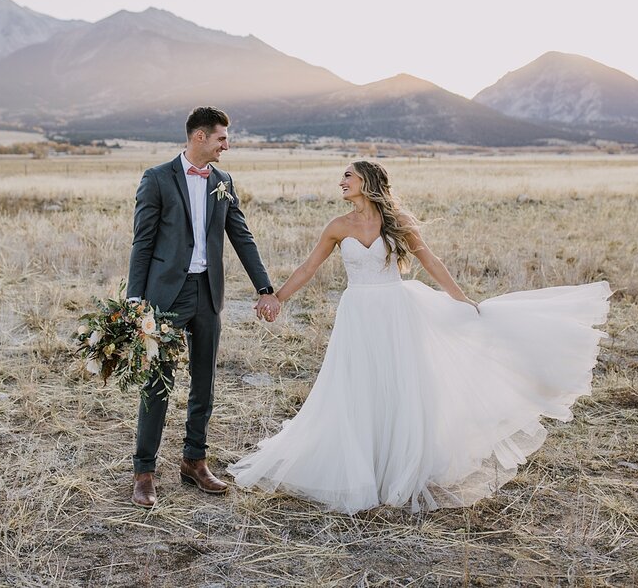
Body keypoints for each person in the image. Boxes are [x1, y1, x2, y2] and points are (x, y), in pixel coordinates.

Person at [228, 160, 611, 514]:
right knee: (357, 386)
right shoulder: (337, 226)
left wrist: (462, 300)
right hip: (358, 315)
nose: (341, 182)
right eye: (342, 177)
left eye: (349, 176)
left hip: (396, 311)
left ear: (368, 182)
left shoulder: (398, 221)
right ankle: (361, 469)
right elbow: (309, 267)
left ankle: (398, 468)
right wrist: (278, 297)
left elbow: (431, 262)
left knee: (400, 386)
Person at [127, 106, 281, 508]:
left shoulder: (224, 182)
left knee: (204, 382)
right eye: (221, 139)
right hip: (164, 297)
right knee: (157, 382)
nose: (226, 146)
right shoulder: (157, 179)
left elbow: (241, 237)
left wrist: (265, 287)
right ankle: (144, 471)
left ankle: (194, 461)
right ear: (199, 137)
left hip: (208, 294)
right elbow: (142, 242)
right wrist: (134, 299)